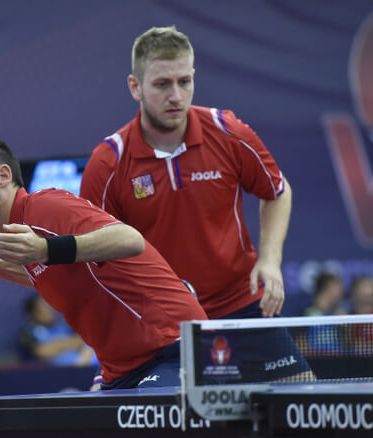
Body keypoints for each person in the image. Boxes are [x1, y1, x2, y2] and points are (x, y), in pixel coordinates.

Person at [0, 133, 208, 389]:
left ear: (3, 176)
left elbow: (130, 239)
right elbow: (59, 274)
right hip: (121, 367)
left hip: (171, 348)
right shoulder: (23, 235)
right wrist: (1, 269)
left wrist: (44, 248)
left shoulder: (43, 206)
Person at [79, 26, 292, 321]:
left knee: (303, 372)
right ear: (135, 87)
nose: (176, 96)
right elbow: (91, 252)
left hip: (241, 301)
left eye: (185, 81)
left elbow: (278, 192)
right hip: (160, 317)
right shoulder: (107, 163)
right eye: (162, 84)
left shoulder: (228, 132)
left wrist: (270, 260)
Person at [19, 293, 97, 367]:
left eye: (49, 306)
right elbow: (43, 352)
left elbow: (83, 341)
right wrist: (70, 343)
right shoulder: (29, 333)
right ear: (33, 313)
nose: (49, 310)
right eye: (43, 308)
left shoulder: (64, 325)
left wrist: (57, 345)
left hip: (83, 364)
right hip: (53, 373)